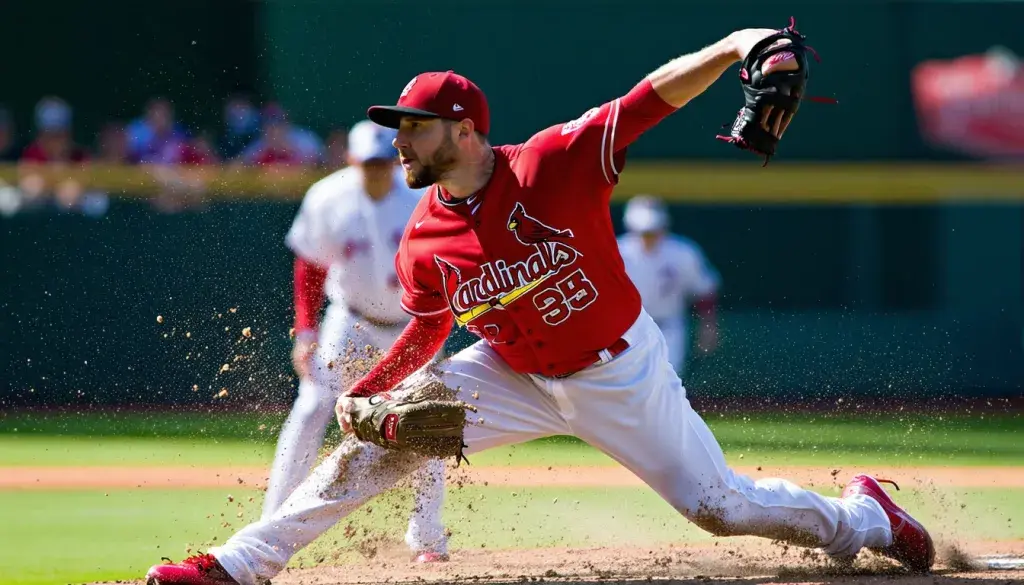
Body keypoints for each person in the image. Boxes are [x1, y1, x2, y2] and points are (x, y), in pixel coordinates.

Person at [147, 25, 935, 585]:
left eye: (411, 129)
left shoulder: (554, 161)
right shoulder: (422, 239)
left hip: (617, 369)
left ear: (461, 129)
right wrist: (372, 390)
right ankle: (238, 564)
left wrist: (738, 44)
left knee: (721, 507)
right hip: (508, 371)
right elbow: (429, 327)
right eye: (396, 130)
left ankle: (862, 516)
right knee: (369, 451)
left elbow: (649, 98)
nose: (398, 143)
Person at [262, 120, 450, 562]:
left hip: (413, 324)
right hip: (350, 320)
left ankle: (427, 536)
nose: (376, 171)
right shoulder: (328, 196)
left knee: (429, 418)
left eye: (383, 163)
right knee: (311, 408)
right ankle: (270, 521)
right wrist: (306, 331)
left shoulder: (421, 196)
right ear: (351, 161)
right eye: (368, 164)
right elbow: (310, 265)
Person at [617, 195, 720, 376]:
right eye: (643, 232)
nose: (648, 238)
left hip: (669, 327)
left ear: (663, 227)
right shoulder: (617, 252)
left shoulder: (682, 252)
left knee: (666, 383)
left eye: (653, 231)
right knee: (627, 384)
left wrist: (708, 326)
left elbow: (704, 291)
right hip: (627, 329)